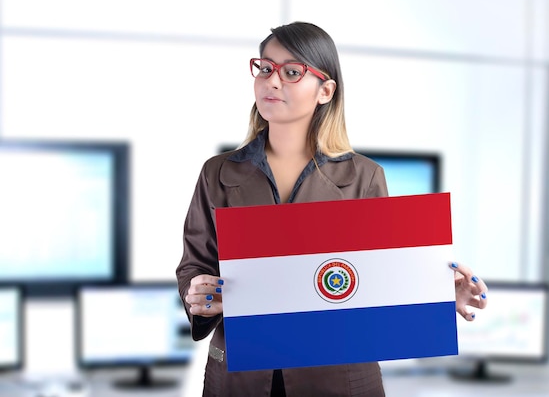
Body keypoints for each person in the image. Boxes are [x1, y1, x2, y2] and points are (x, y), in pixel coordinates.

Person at [176, 21, 488, 397]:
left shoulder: (364, 176)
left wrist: (433, 300)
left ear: (325, 90)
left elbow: (380, 281)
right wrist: (199, 295)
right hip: (240, 377)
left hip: (336, 379)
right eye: (265, 68)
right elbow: (195, 265)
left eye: (292, 72)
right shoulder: (219, 172)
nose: (272, 82)